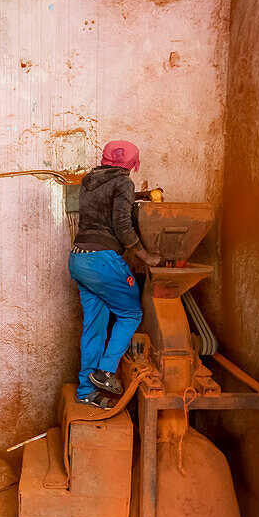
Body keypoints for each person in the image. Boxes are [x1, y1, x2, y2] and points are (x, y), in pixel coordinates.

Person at [69, 141, 161, 407]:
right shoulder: (124, 183)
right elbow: (121, 223)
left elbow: (107, 200)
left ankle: (86, 391)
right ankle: (106, 371)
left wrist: (141, 195)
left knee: (94, 326)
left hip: (79, 260)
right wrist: (144, 255)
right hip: (102, 261)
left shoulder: (90, 179)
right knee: (131, 313)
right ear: (131, 164)